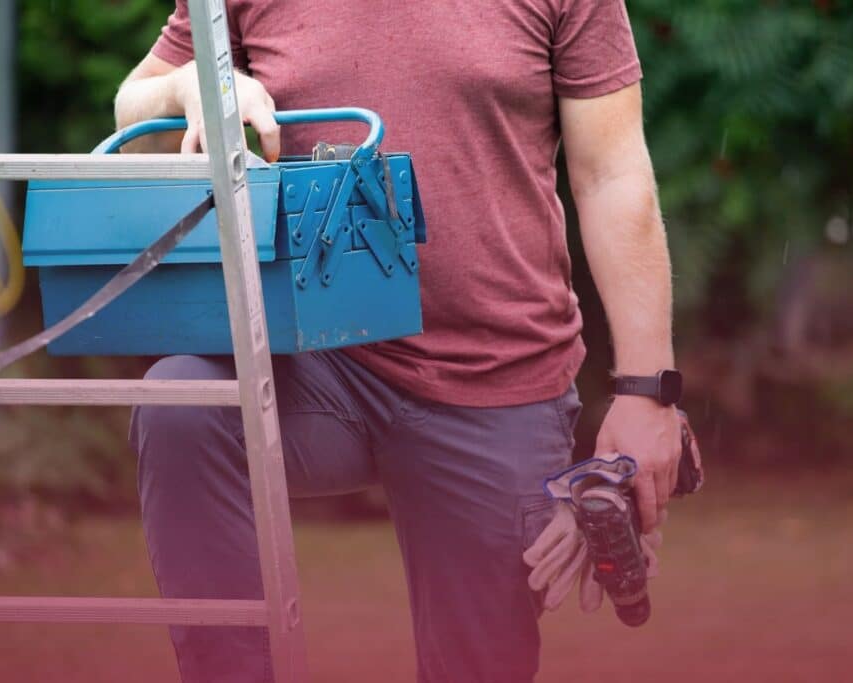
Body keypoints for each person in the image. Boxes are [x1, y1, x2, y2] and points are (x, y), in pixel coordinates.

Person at [117, 1, 683, 681]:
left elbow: (612, 173)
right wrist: (193, 90)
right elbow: (132, 117)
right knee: (182, 403)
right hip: (314, 354)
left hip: (496, 372)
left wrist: (649, 393)